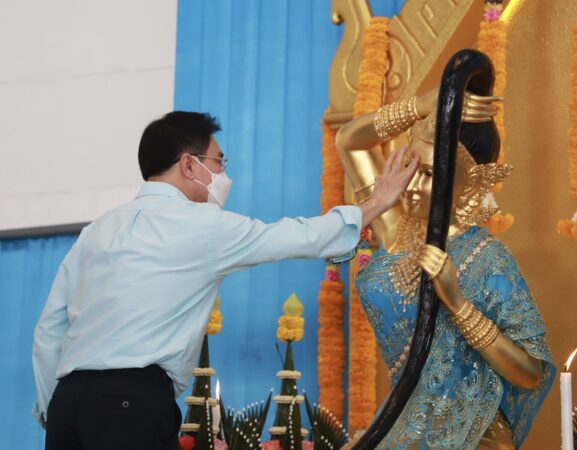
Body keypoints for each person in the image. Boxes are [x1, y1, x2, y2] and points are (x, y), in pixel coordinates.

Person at [32, 111, 419, 450]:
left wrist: (56, 407)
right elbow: (295, 236)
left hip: (66, 404)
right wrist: (377, 202)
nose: (222, 175)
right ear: (189, 165)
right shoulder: (201, 225)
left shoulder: (96, 231)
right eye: (218, 162)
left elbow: (50, 329)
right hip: (130, 404)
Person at [336, 50, 555, 449]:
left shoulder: (487, 257)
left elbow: (530, 374)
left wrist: (458, 304)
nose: (413, 186)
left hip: (474, 434)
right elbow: (349, 141)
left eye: (430, 174)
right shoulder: (396, 230)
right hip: (404, 425)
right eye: (411, 167)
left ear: (468, 184)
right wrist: (423, 105)